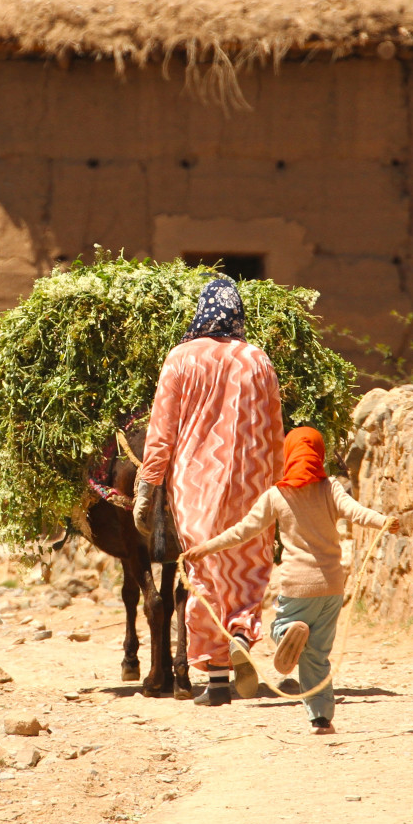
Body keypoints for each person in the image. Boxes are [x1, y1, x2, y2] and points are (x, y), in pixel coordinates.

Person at [181, 427, 400, 733]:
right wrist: (384, 521)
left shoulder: (277, 495)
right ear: (319, 454)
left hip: (298, 585)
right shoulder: (331, 488)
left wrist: (206, 547)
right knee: (318, 656)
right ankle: (321, 717)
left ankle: (286, 635)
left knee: (279, 629)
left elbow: (244, 530)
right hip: (332, 588)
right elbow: (355, 512)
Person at [134, 278, 283, 707]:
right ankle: (240, 633)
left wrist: (148, 489)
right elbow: (275, 432)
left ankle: (216, 682)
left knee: (203, 573)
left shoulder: (180, 359)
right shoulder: (258, 360)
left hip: (195, 484)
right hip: (253, 482)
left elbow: (160, 436)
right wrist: (279, 487)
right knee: (247, 567)